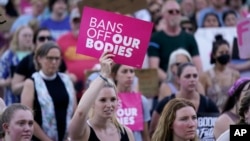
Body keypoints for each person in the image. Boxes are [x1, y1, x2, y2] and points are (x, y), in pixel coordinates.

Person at [68, 51, 135, 141]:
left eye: (113, 99)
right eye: (103, 100)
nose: (109, 105)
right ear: (92, 103)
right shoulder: (83, 132)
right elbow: (80, 112)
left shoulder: (127, 132)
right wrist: (103, 74)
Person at [21, 41, 76, 141]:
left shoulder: (66, 80)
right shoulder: (31, 82)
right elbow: (27, 117)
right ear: (39, 59)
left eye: (57, 58)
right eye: (50, 58)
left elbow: (74, 111)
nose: (54, 62)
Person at [149, 62, 219, 137]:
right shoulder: (166, 103)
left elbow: (218, 130)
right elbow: (153, 131)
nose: (192, 79)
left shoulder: (208, 103)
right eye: (187, 76)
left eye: (195, 76)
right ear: (178, 79)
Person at [147, 0, 202, 82]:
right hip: (166, 83)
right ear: (163, 15)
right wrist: (172, 83)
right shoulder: (155, 38)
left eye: (177, 11)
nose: (174, 14)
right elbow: (154, 68)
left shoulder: (189, 38)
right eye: (171, 12)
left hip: (188, 82)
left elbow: (198, 66)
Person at [11, 27, 67, 95]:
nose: (46, 41)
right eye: (41, 39)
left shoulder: (57, 59)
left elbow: (66, 78)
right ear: (34, 42)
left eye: (49, 38)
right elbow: (14, 88)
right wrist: (33, 82)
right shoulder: (27, 61)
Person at [199, 34, 240, 112]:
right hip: (211, 116)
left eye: (227, 52)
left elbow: (238, 99)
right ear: (214, 55)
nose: (225, 54)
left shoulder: (235, 75)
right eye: (221, 53)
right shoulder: (205, 76)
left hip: (231, 116)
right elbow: (201, 100)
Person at [111, 64, 151, 141]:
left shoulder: (142, 101)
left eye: (131, 71)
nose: (129, 75)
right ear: (115, 75)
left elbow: (145, 135)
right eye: (124, 71)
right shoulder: (109, 101)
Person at [0, 25, 34, 105]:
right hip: (12, 99)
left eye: (30, 36)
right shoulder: (9, 56)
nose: (28, 38)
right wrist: (7, 82)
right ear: (17, 37)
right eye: (25, 35)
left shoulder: (35, 55)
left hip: (32, 99)